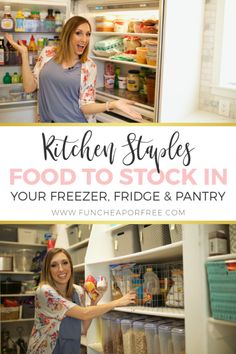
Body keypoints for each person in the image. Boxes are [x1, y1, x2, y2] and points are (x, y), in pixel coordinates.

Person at [5, 16, 142, 123]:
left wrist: (113, 104)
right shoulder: (47, 53)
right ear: (68, 34)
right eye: (78, 33)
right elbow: (29, 87)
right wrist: (24, 54)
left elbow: (86, 106)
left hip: (75, 127)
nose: (84, 39)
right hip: (46, 124)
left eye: (88, 34)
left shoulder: (89, 66)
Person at [26, 248, 136, 354]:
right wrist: (118, 302)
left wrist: (94, 302)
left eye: (65, 263)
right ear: (48, 270)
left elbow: (82, 329)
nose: (61, 269)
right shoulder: (45, 291)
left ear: (70, 266)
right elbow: (84, 313)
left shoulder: (78, 291)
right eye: (54, 265)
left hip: (70, 349)